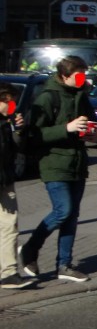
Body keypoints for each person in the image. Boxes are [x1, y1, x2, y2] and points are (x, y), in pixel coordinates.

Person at [19, 54, 97, 283]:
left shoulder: (81, 96)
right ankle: (29, 249)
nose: (82, 79)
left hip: (77, 163)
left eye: (84, 75)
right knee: (63, 210)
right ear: (64, 75)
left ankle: (64, 265)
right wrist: (66, 128)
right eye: (78, 75)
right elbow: (34, 135)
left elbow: (94, 123)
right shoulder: (47, 97)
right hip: (54, 162)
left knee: (71, 216)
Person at [0, 84, 35, 290]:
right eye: (7, 101)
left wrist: (18, 130)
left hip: (5, 180)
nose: (11, 105)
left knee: (9, 225)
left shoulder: (7, 123)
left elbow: (16, 150)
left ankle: (9, 273)